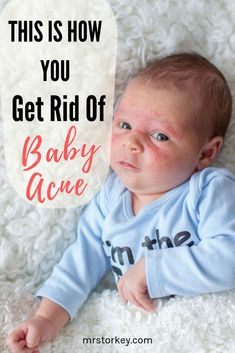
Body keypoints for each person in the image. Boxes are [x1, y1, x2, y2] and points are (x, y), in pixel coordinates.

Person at [7, 52, 235, 353]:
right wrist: (45, 319)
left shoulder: (206, 191)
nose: (131, 142)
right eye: (125, 125)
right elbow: (81, 261)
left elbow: (229, 255)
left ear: (206, 153)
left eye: (159, 135)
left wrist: (156, 271)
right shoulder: (110, 198)